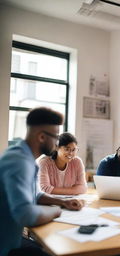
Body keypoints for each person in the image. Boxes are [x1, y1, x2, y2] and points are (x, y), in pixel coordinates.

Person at [0, 107, 85, 256]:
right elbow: (26, 214)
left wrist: (63, 203)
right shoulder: (19, 162)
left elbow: (36, 195)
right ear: (41, 137)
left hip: (11, 239)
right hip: (6, 246)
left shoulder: (24, 157)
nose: (57, 143)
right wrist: (57, 211)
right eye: (56, 137)